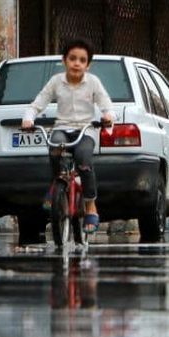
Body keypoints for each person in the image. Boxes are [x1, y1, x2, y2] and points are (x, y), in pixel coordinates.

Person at [21, 39, 115, 234]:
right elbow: (38, 103)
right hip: (63, 127)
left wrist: (107, 116)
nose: (77, 63)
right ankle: (56, 184)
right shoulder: (56, 81)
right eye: (72, 59)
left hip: (85, 130)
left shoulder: (93, 83)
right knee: (55, 148)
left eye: (82, 60)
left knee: (84, 162)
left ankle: (90, 206)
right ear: (64, 61)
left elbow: (106, 104)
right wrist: (28, 118)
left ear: (88, 65)